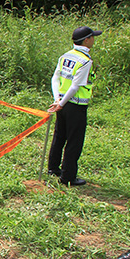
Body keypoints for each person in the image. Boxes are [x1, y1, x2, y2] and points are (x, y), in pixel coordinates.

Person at [46, 26, 101, 186]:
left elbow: (55, 78)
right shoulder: (85, 61)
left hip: (62, 104)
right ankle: (68, 177)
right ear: (86, 40)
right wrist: (61, 103)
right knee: (74, 141)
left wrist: (57, 100)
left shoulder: (65, 56)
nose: (94, 40)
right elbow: (75, 86)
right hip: (75, 105)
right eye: (92, 37)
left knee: (59, 136)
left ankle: (53, 168)